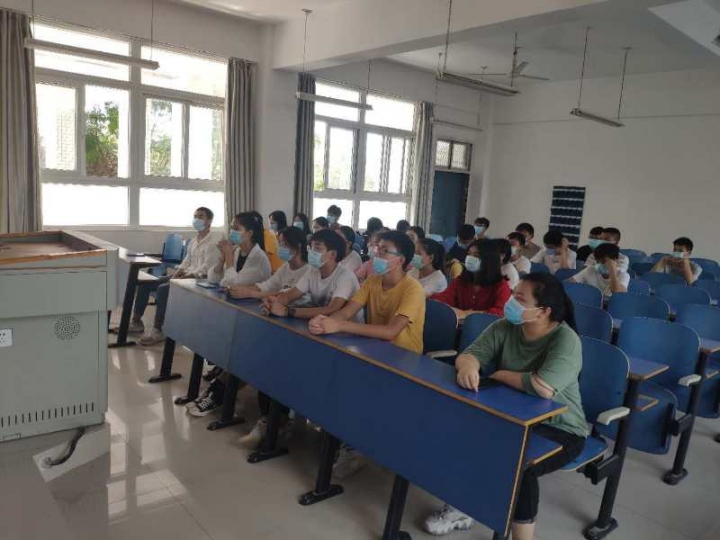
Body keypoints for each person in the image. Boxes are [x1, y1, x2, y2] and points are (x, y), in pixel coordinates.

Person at [425, 273, 587, 538]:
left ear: (543, 311)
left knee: (519, 465)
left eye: (520, 299)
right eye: (513, 294)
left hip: (560, 428)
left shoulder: (566, 340)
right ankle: (462, 506)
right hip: (511, 415)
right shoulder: (505, 326)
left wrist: (500, 375)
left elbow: (543, 387)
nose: (511, 302)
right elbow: (470, 355)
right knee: (455, 432)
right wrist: (468, 367)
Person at [309, 230, 426, 477]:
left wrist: (340, 326)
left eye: (384, 251)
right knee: (333, 376)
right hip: (373, 351)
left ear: (401, 260)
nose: (377, 254)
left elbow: (391, 332)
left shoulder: (412, 289)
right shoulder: (373, 281)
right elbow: (346, 311)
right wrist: (325, 321)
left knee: (354, 390)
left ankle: (355, 446)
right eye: (377, 249)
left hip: (404, 361)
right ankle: (342, 437)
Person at [134, 207, 221, 342]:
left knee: (163, 289)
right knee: (146, 283)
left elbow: (206, 269)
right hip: (185, 276)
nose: (196, 219)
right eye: (195, 216)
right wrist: (178, 273)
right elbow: (186, 261)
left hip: (199, 280)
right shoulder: (194, 241)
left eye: (200, 217)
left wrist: (186, 277)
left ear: (209, 221)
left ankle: (158, 330)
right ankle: (136, 322)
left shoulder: (213, 242)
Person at [262, 229, 361, 322]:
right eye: (311, 248)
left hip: (347, 329)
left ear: (333, 254)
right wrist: (274, 303)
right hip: (319, 323)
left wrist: (287, 311)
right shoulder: (313, 270)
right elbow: (292, 294)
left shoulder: (345, 276)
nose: (311, 252)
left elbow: (331, 309)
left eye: (317, 248)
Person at [432, 240, 511, 319]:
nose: (470, 258)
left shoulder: (501, 286)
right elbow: (445, 298)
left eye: (476, 255)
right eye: (469, 254)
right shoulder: (461, 280)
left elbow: (500, 312)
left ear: (489, 260)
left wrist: (469, 313)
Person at [227, 226, 310, 301]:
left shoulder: (308, 271)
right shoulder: (285, 267)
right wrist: (239, 288)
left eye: (285, 244)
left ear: (298, 246)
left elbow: (287, 295)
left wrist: (250, 293)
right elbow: (268, 285)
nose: (280, 247)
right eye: (279, 243)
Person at [207, 212, 271, 288]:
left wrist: (228, 256)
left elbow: (233, 285)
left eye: (236, 228)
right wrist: (222, 258)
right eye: (232, 228)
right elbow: (213, 279)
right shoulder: (236, 251)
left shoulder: (258, 257)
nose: (232, 231)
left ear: (250, 233)